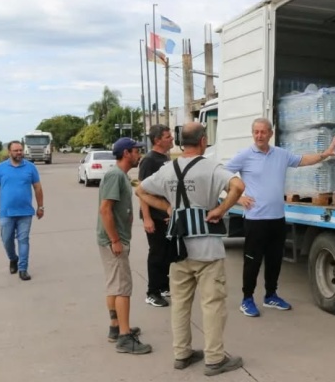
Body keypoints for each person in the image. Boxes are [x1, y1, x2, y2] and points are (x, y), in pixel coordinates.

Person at [136, 122, 245, 377]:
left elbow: (141, 190)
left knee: (180, 304)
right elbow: (238, 187)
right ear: (204, 141)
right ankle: (215, 359)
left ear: (180, 142)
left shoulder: (167, 169)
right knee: (213, 304)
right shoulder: (211, 167)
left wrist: (167, 208)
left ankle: (182, 353)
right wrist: (220, 209)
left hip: (178, 247)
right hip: (207, 248)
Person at [225, 118, 335, 318]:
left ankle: (270, 296)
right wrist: (238, 197)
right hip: (254, 220)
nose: (259, 136)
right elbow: (222, 175)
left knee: (275, 260)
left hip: (277, 219)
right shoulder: (244, 156)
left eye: (263, 132)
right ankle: (247, 299)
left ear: (270, 133)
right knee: (252, 261)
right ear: (253, 134)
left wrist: (324, 155)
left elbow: (302, 160)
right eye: (256, 132)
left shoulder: (281, 154)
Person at [97, 137, 151, 355]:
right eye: (136, 151)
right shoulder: (115, 175)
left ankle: (115, 327)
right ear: (126, 153)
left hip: (113, 239)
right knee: (122, 288)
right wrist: (115, 240)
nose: (139, 154)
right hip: (114, 241)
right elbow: (105, 210)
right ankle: (125, 337)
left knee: (114, 285)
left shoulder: (120, 176)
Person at [0, 140, 44, 281]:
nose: (19, 153)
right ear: (9, 152)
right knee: (7, 240)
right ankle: (13, 258)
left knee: (23, 240)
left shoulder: (30, 168)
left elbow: (37, 187)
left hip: (25, 212)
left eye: (20, 150)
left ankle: (23, 268)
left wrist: (40, 207)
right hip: (6, 213)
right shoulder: (1, 168)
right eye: (16, 150)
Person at [138, 124, 173, 308]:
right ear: (157, 140)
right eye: (168, 137)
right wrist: (148, 218)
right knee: (157, 254)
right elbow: (142, 191)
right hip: (155, 216)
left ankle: (163, 285)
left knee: (168, 253)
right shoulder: (149, 160)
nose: (172, 139)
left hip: (166, 215)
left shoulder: (165, 158)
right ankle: (152, 292)